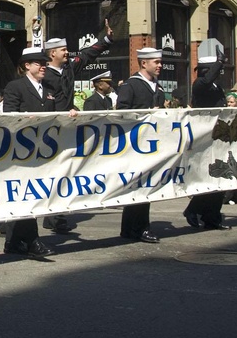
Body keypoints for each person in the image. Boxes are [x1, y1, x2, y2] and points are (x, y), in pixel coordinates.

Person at [0, 47, 58, 258]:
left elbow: (56, 114)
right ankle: (32, 241)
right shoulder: (15, 86)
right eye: (38, 63)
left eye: (44, 63)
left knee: (32, 196)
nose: (43, 66)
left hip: (43, 150)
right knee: (25, 195)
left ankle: (14, 242)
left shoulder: (49, 88)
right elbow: (9, 115)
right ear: (26, 66)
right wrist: (25, 118)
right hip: (22, 151)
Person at [115, 47, 166, 243]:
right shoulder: (131, 85)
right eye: (156, 62)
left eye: (160, 62)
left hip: (151, 144)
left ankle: (131, 228)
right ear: (144, 63)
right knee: (139, 187)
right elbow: (121, 113)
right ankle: (138, 227)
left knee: (145, 186)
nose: (160, 65)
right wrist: (145, 115)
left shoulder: (157, 86)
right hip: (135, 144)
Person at [184, 53, 231, 229]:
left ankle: (212, 217)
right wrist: (219, 62)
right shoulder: (200, 85)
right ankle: (194, 209)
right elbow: (205, 82)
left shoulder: (216, 86)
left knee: (220, 177)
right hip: (205, 137)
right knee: (209, 176)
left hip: (219, 134)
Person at [42, 20, 113, 112]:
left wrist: (106, 40)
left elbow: (87, 54)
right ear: (53, 53)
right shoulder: (43, 73)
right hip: (50, 121)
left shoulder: (69, 67)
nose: (67, 52)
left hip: (69, 118)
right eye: (63, 50)